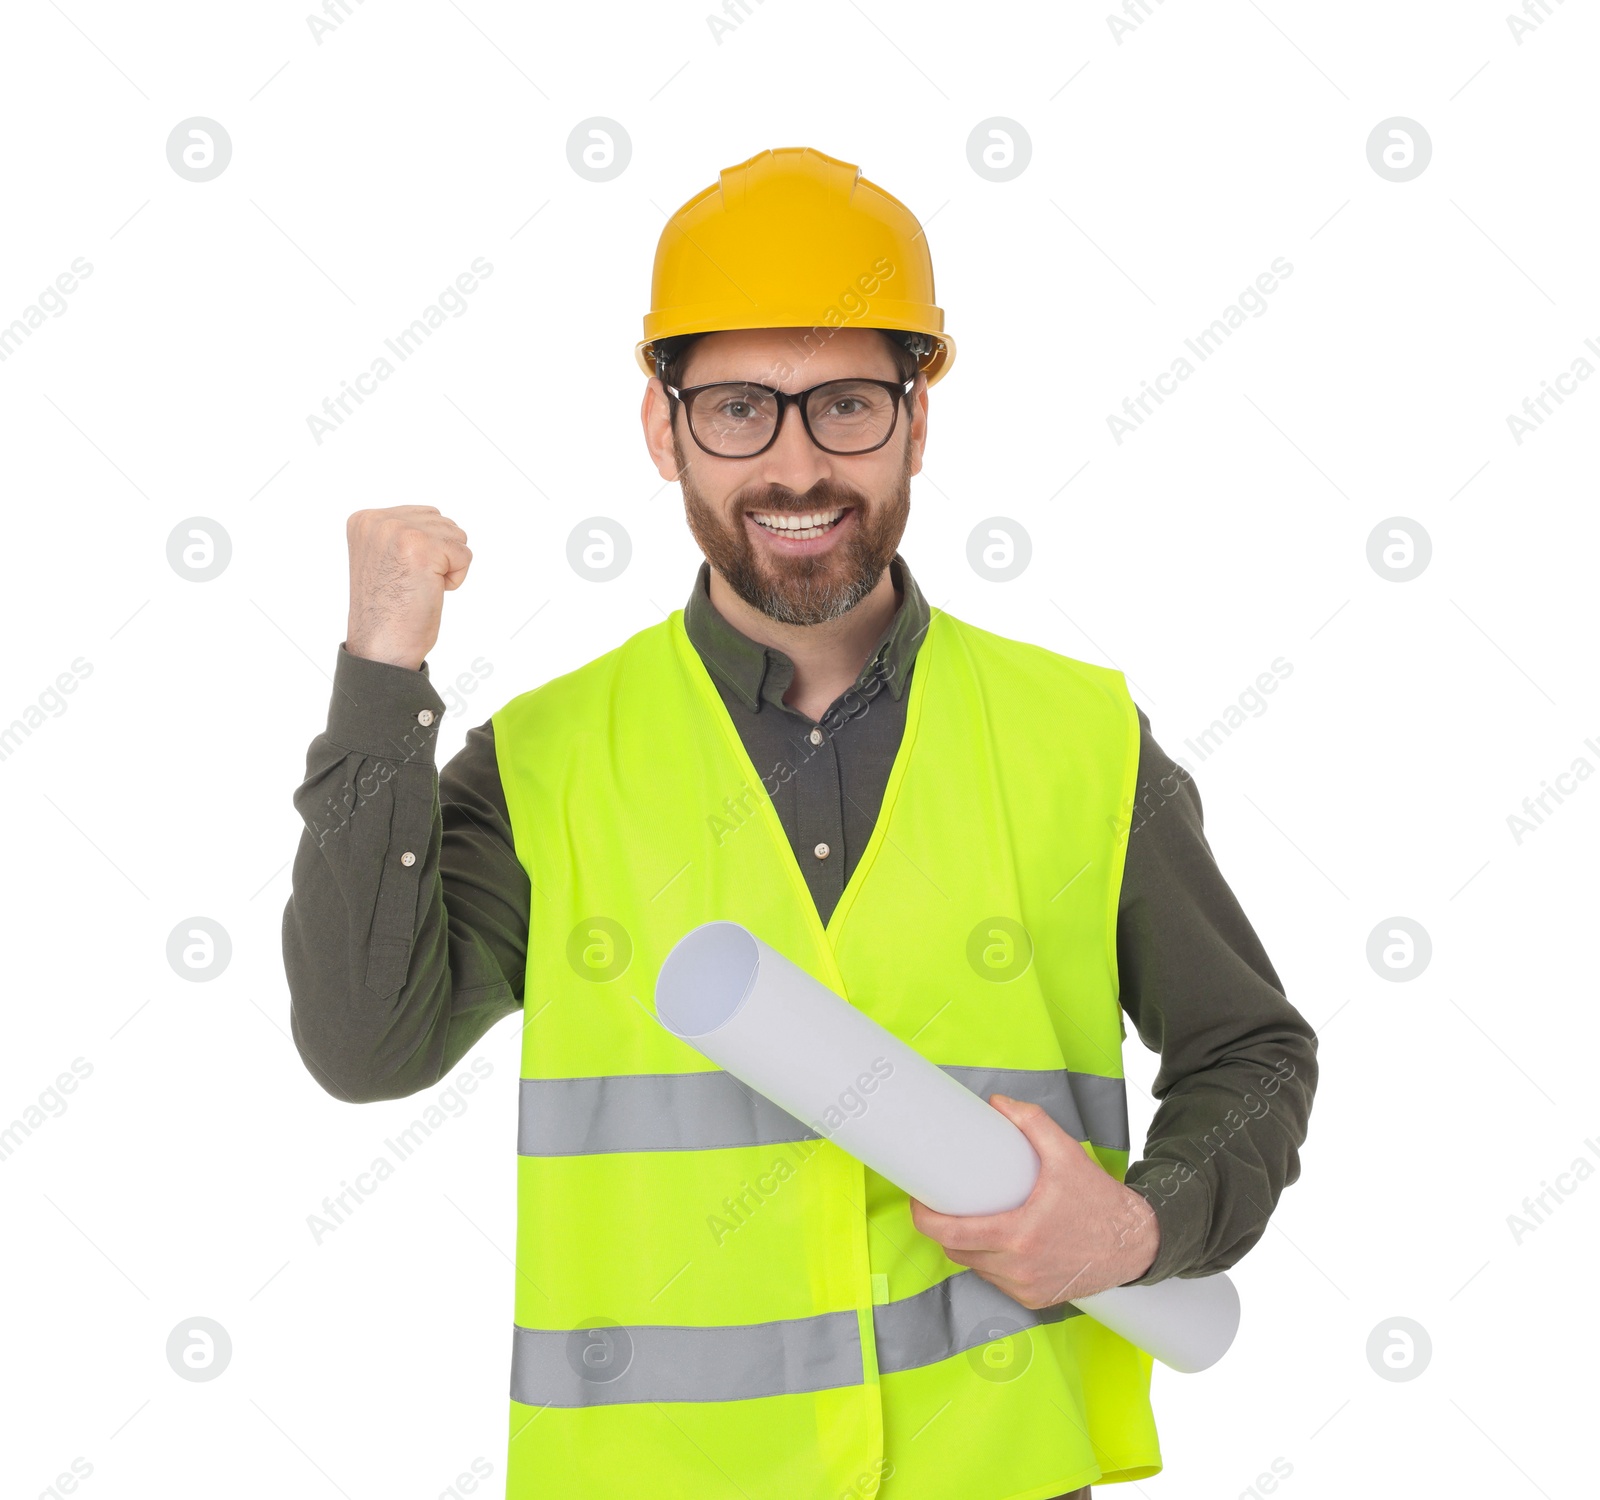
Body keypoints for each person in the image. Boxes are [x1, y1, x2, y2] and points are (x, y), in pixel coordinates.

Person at [283, 146, 1318, 1500]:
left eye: (843, 404)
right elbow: (367, 1048)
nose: (795, 463)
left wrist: (1135, 1231)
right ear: (662, 428)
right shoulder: (545, 762)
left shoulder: (1077, 737)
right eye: (736, 409)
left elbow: (1252, 1052)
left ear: (916, 418)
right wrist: (380, 680)